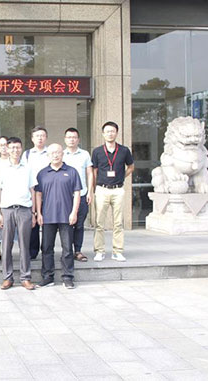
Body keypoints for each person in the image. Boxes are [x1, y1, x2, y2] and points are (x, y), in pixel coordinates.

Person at [0, 137, 38, 291]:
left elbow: (32, 190)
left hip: (25, 210)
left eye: (17, 147)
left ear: (21, 148)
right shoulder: (1, 168)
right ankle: (7, 277)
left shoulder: (28, 168)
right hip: (7, 210)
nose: (15, 150)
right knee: (6, 245)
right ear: (7, 149)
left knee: (24, 245)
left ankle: (25, 277)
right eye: (12, 147)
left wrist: (33, 213)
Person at [35, 143, 82, 289]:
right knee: (46, 248)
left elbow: (77, 193)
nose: (55, 155)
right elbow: (38, 194)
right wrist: (38, 213)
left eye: (58, 152)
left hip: (66, 216)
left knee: (67, 248)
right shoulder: (42, 173)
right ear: (48, 155)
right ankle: (47, 277)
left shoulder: (72, 171)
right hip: (47, 216)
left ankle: (67, 277)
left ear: (62, 154)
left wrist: (74, 212)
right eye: (52, 153)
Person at [91, 121, 134, 262]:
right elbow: (94, 171)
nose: (110, 133)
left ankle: (117, 251)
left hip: (118, 190)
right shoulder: (97, 151)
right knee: (99, 223)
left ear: (117, 133)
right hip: (102, 189)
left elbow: (131, 167)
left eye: (112, 131)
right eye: (107, 131)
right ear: (103, 134)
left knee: (118, 223)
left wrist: (121, 177)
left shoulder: (124, 150)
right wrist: (94, 188)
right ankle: (99, 251)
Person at [63, 128, 94, 262]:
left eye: (74, 137)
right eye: (69, 137)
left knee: (79, 224)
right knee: (66, 225)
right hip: (65, 196)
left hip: (82, 194)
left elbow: (90, 173)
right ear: (65, 139)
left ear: (78, 140)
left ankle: (78, 250)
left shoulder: (85, 154)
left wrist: (90, 192)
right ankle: (67, 250)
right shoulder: (61, 154)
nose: (72, 140)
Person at [21, 126, 50, 260]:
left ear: (46, 137)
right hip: (31, 192)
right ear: (32, 138)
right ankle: (32, 251)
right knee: (32, 223)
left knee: (48, 223)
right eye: (37, 136)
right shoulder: (27, 154)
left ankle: (47, 250)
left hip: (48, 193)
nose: (40, 138)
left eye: (42, 135)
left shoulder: (51, 152)